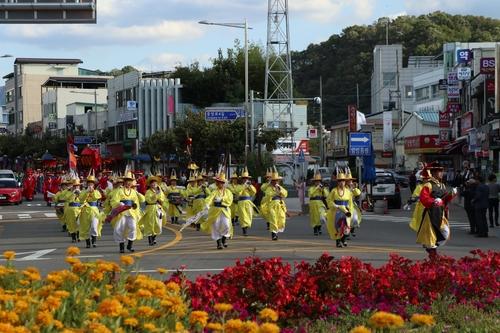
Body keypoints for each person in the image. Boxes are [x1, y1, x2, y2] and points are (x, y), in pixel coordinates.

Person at [415, 162, 456, 259]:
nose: (441, 173)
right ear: (433, 173)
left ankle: (432, 251)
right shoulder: (428, 185)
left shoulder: (442, 185)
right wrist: (433, 201)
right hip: (430, 214)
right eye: (439, 171)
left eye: (442, 171)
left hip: (440, 212)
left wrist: (451, 194)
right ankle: (433, 254)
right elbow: (423, 198)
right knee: (431, 235)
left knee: (445, 233)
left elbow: (445, 199)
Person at [110, 170, 144, 253]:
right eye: (127, 181)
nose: (129, 183)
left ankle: (130, 245)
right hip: (122, 212)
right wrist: (119, 203)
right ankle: (121, 246)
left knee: (133, 227)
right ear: (124, 182)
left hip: (131, 212)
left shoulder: (133, 192)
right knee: (118, 228)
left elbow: (138, 201)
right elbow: (113, 201)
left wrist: (136, 208)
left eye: (130, 181)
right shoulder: (119, 191)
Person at [201, 170, 233, 249]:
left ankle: (224, 239)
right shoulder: (214, 191)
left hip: (225, 210)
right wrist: (207, 204)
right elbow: (209, 198)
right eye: (218, 182)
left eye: (221, 182)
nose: (219, 184)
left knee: (226, 225)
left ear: (223, 183)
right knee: (216, 225)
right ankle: (218, 243)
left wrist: (222, 200)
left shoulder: (228, 192)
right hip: (215, 210)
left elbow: (230, 200)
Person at [326, 169, 354, 248]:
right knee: (337, 226)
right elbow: (329, 200)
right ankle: (338, 241)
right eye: (340, 181)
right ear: (338, 182)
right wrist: (335, 205)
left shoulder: (348, 191)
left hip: (346, 211)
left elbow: (350, 203)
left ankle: (343, 239)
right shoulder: (334, 191)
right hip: (337, 211)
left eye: (343, 181)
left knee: (347, 227)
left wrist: (350, 211)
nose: (342, 182)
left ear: (345, 182)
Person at [139, 175, 166, 246]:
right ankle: (150, 239)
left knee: (158, 224)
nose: (154, 184)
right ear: (150, 185)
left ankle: (154, 237)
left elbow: (162, 198)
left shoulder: (159, 191)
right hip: (150, 208)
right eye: (152, 183)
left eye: (155, 183)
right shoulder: (148, 191)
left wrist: (160, 199)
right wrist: (155, 196)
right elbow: (148, 199)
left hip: (158, 208)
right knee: (150, 224)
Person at [78, 171, 102, 248]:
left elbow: (96, 197)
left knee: (94, 227)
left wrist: (92, 191)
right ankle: (88, 242)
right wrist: (86, 192)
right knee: (85, 227)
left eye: (91, 183)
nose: (90, 185)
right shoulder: (83, 192)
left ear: (94, 185)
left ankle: (94, 241)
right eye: (89, 183)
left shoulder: (96, 191)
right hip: (85, 211)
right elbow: (81, 200)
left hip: (94, 211)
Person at [263, 168, 288, 240]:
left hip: (280, 205)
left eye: (276, 180)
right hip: (272, 205)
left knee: (282, 219)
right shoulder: (269, 188)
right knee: (273, 219)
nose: (275, 182)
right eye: (273, 181)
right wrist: (275, 192)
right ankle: (274, 234)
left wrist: (280, 190)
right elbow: (268, 195)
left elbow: (285, 194)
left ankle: (276, 231)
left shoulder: (280, 187)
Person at [237, 167, 257, 236]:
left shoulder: (249, 185)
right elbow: (238, 192)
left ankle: (246, 227)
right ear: (242, 179)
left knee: (249, 215)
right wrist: (243, 186)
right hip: (241, 202)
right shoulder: (239, 186)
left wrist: (250, 186)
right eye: (244, 178)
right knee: (243, 216)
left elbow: (254, 192)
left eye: (246, 178)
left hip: (248, 201)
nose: (245, 179)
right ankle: (244, 230)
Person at [308, 171, 328, 236]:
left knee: (321, 215)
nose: (318, 182)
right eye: (316, 181)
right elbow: (310, 194)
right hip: (313, 203)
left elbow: (326, 195)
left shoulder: (322, 188)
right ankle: (315, 229)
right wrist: (316, 188)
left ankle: (319, 228)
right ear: (314, 182)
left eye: (319, 181)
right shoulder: (311, 188)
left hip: (320, 203)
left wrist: (323, 189)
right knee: (314, 216)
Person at [65, 178, 82, 243]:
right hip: (70, 209)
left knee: (78, 223)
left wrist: (79, 194)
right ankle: (73, 237)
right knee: (71, 224)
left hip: (78, 209)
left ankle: (78, 236)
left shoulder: (81, 192)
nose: (76, 187)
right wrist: (73, 193)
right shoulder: (69, 192)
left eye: (77, 186)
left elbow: (84, 199)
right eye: (75, 186)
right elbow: (67, 198)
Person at [346, 170, 362, 237]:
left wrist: (354, 188)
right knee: (347, 220)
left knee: (355, 219)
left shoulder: (353, 188)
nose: (350, 182)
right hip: (345, 205)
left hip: (352, 205)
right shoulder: (344, 188)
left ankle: (352, 230)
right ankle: (347, 233)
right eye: (348, 181)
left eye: (351, 181)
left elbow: (358, 193)